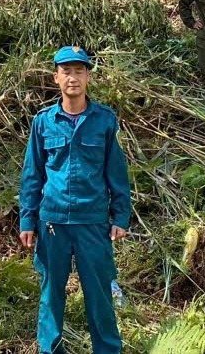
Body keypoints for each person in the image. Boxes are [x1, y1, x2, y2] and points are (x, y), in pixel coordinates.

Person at [19, 46, 131, 354]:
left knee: (99, 297)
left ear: (88, 77)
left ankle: (107, 350)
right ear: (56, 78)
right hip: (52, 222)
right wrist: (27, 219)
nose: (73, 78)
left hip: (93, 222)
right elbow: (33, 174)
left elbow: (117, 173)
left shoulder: (105, 121)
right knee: (51, 295)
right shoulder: (43, 122)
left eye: (79, 71)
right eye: (67, 72)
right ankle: (50, 350)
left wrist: (121, 216)